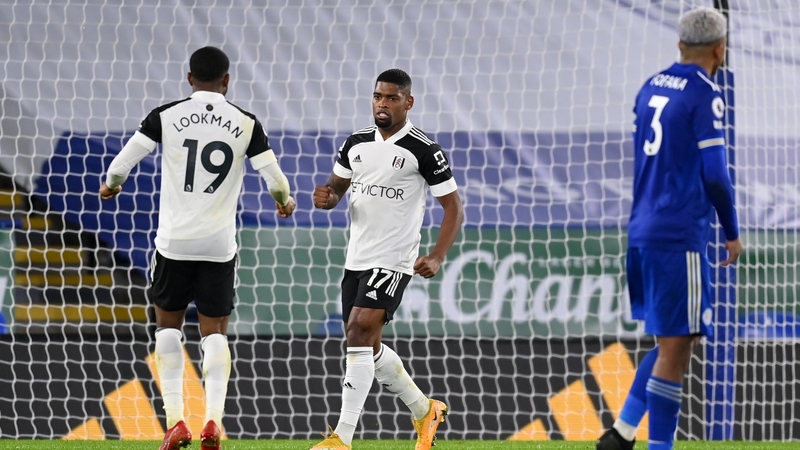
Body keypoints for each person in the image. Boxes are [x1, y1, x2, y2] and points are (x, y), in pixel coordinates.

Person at [99, 46, 296, 450]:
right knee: (215, 334)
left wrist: (112, 184)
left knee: (167, 328)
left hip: (174, 243)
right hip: (218, 247)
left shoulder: (165, 115)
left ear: (190, 78)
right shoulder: (245, 122)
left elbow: (122, 163)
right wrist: (284, 200)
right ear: (227, 80)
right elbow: (274, 178)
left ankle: (175, 421)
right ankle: (212, 422)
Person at [596, 7, 741, 450]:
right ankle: (654, 445)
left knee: (670, 342)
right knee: (679, 347)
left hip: (642, 228)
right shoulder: (705, 93)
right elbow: (716, 174)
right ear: (720, 49)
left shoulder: (651, 85)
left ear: (679, 44)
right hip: (679, 233)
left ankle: (620, 435)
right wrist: (731, 230)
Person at [311, 68, 464, 450]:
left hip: (394, 258)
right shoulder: (356, 143)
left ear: (408, 102)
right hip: (357, 257)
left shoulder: (423, 149)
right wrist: (327, 197)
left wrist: (437, 255)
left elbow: (454, 209)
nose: (383, 103)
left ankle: (341, 438)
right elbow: (336, 188)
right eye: (378, 96)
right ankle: (424, 409)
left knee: (359, 331)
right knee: (367, 344)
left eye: (392, 98)